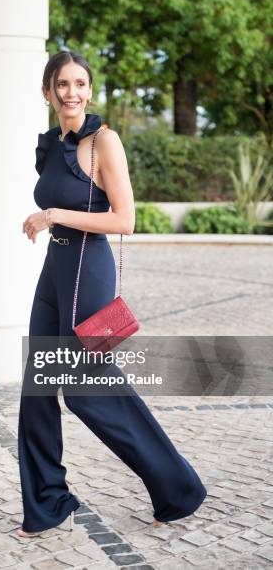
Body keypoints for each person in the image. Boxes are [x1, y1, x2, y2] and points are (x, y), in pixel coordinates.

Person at [17, 50, 207, 537]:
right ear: (48, 92)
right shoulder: (52, 142)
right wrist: (47, 218)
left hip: (88, 268)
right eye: (62, 84)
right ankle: (48, 502)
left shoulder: (104, 141)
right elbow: (55, 200)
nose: (72, 93)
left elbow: (125, 220)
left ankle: (178, 487)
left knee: (85, 392)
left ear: (90, 89)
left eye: (80, 83)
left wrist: (55, 215)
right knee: (36, 390)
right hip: (54, 273)